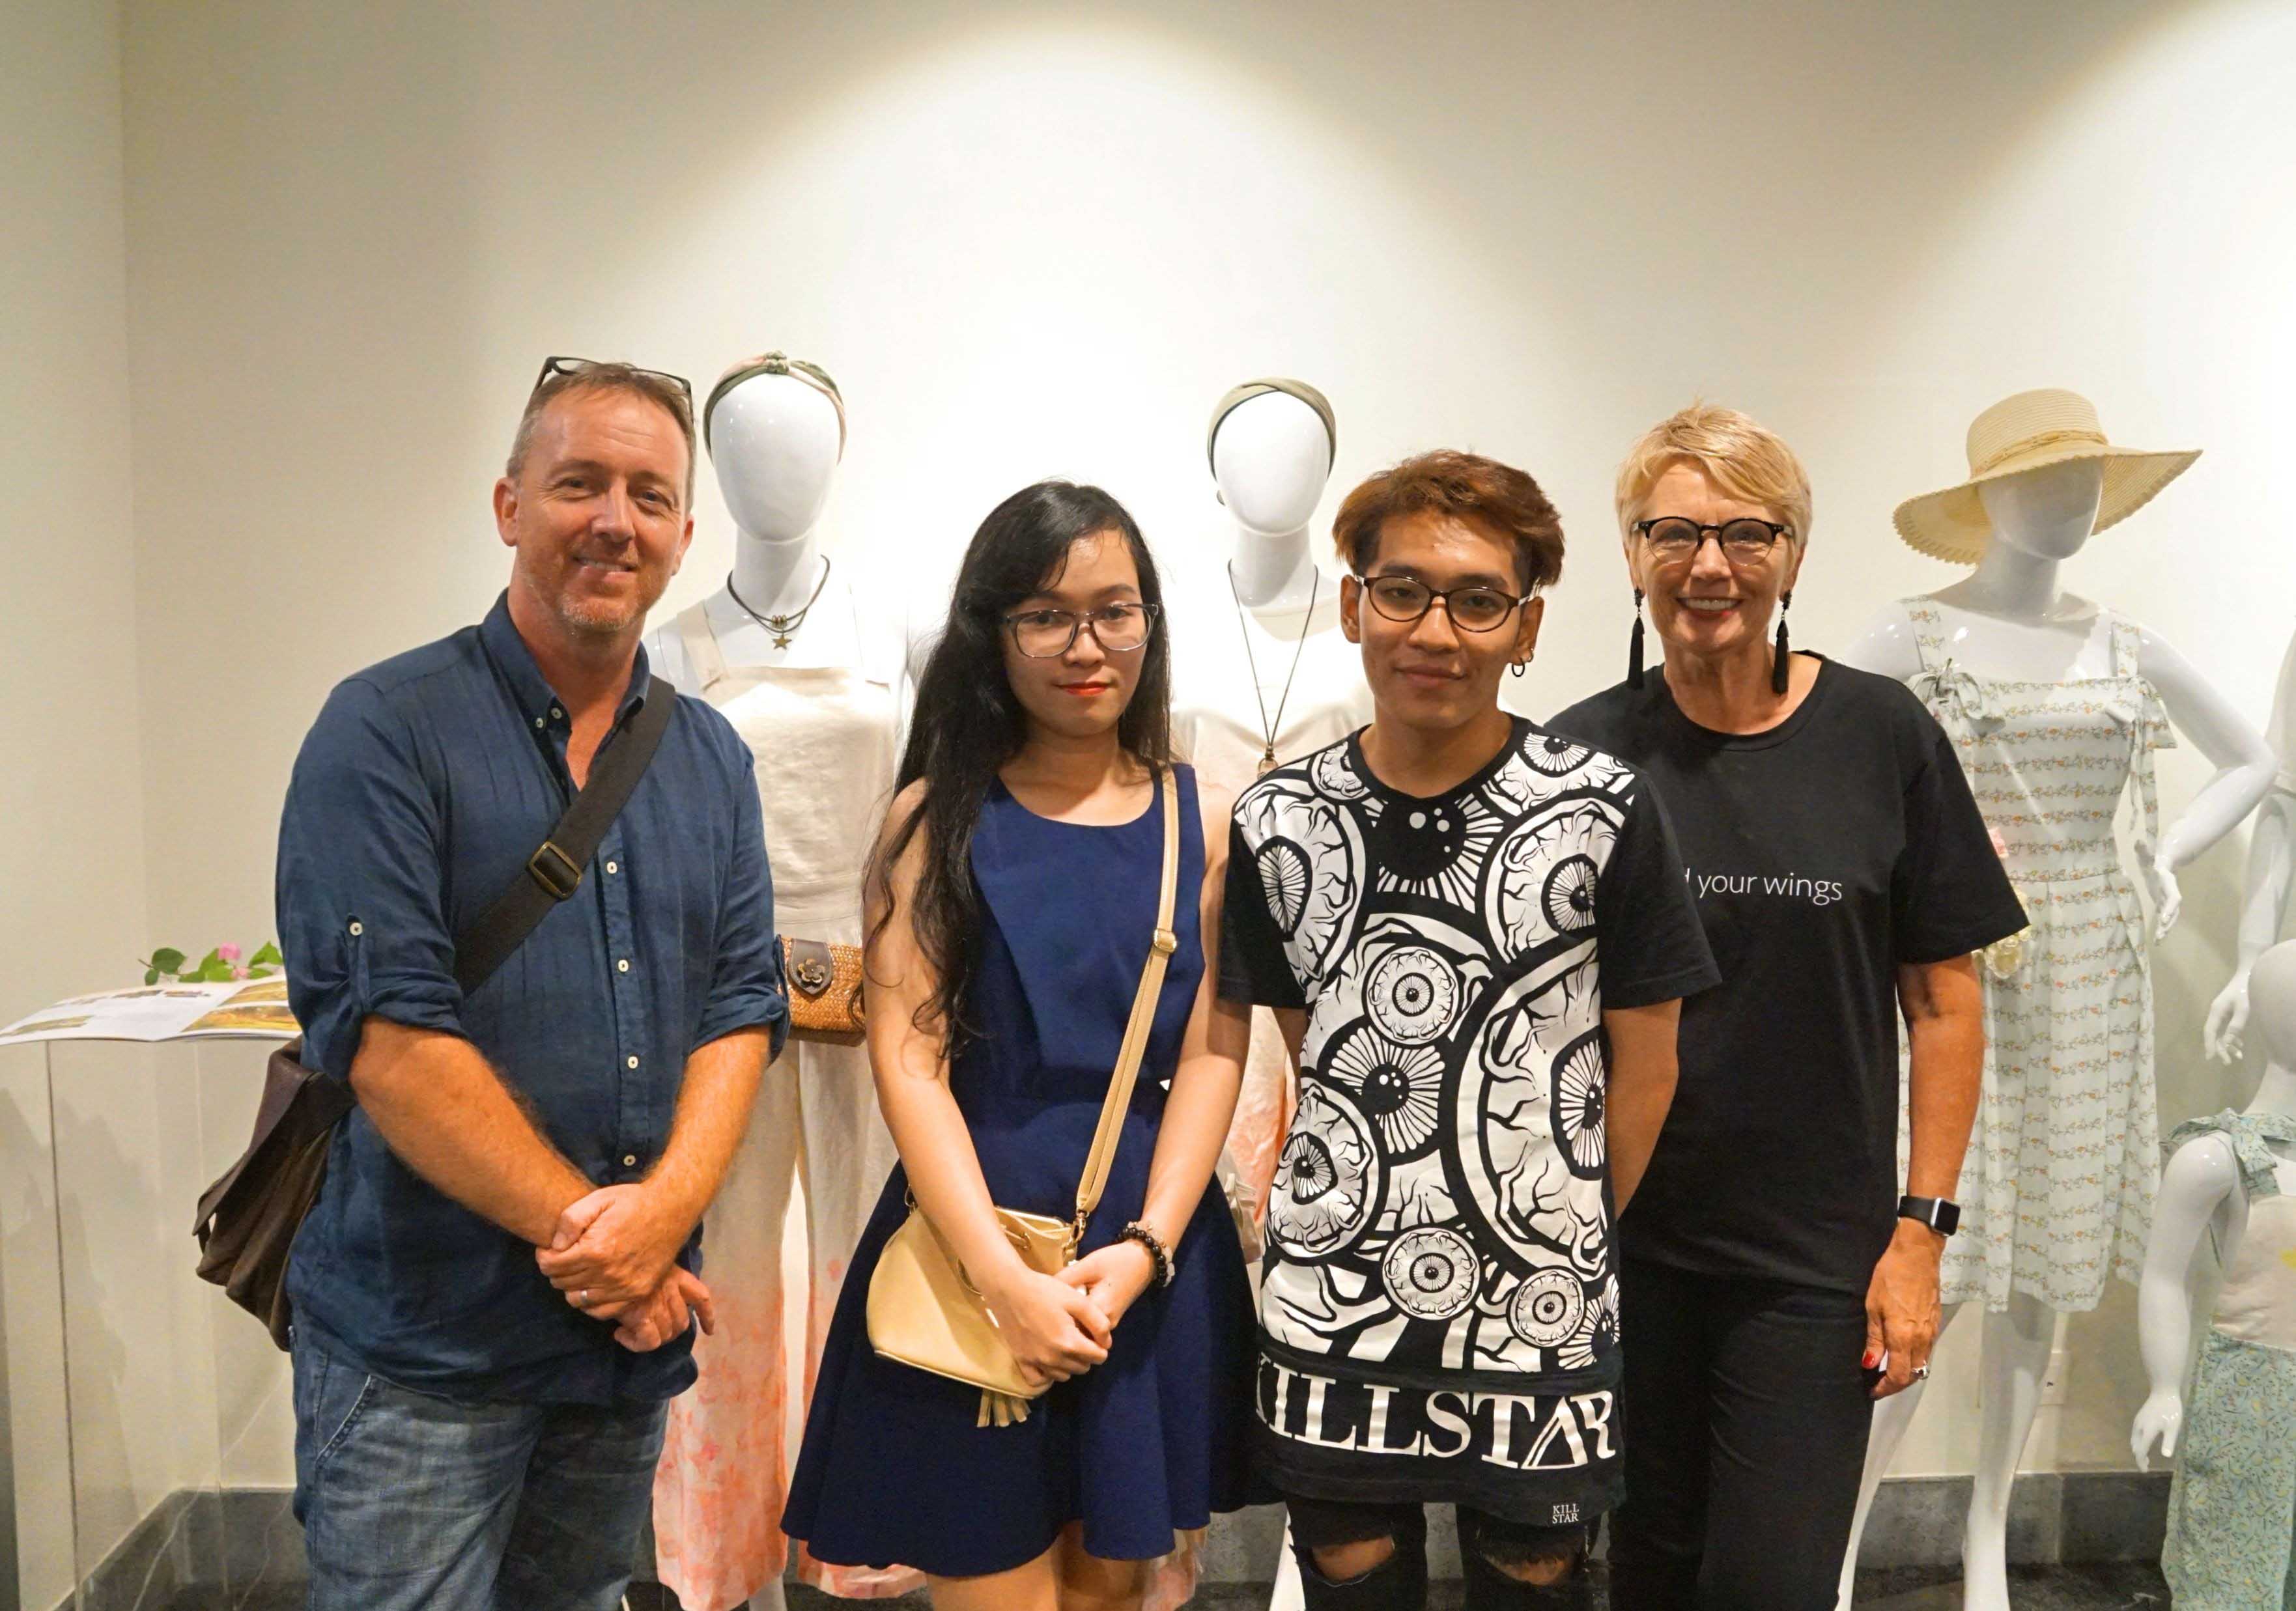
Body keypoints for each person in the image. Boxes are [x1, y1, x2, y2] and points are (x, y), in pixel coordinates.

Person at [274, 357, 787, 1610]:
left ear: (679, 537)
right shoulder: (385, 728)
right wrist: (608, 1241)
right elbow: (390, 1036)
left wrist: (659, 1216)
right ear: (510, 506)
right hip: (422, 1350)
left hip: (613, 1357)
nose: (615, 518)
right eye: (579, 483)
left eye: (650, 495)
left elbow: (739, 1007)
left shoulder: (709, 754)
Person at [1221, 450, 1718, 1609]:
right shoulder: (1278, 817)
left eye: (1478, 599)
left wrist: (1559, 1222)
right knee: (1349, 1582)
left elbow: (1646, 1063)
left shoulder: (1600, 809)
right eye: (1401, 591)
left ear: (1526, 625)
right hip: (1331, 1289)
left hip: (1537, 1305)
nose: (1433, 630)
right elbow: (1311, 1041)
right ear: (1352, 603)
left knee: (1536, 1583)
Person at [1549, 404, 2024, 1610]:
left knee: (1770, 1578)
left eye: (1746, 532)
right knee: (1646, 1567)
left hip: (1813, 1260)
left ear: (1792, 557)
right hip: (1620, 1245)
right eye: (1674, 532)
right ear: (1633, 554)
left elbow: (1944, 998)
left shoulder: (1881, 735)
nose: (1709, 563)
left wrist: (1919, 1232)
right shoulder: (1581, 759)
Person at [782, 481, 1258, 1610]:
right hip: (968, 1246)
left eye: (1115, 610)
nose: (1085, 646)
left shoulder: (1205, 818)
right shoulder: (932, 817)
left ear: (1150, 621)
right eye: (1045, 614)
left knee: (1111, 1589)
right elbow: (909, 1061)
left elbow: (1210, 1053)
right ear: (992, 632)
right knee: (993, 1584)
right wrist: (1000, 1279)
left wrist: (1144, 1250)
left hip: (1137, 1256)